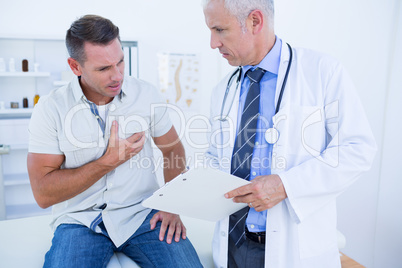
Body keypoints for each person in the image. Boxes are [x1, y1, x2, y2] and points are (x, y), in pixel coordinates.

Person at [203, 0, 377, 267]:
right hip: (233, 245)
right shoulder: (224, 90)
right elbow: (215, 155)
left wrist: (286, 185)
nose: (213, 43)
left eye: (219, 30)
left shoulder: (321, 72)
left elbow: (358, 148)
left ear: (255, 21)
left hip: (293, 249)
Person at [27, 15, 202, 268]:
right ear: (75, 67)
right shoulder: (51, 108)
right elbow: (43, 194)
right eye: (103, 69)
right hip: (80, 220)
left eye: (120, 62)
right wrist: (107, 163)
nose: (117, 75)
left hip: (142, 215)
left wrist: (171, 204)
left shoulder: (146, 94)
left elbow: (172, 147)